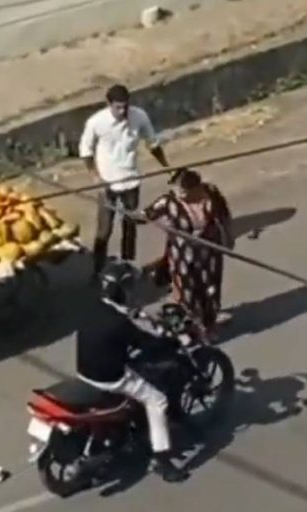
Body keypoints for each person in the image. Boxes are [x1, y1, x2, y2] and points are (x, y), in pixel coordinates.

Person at [76, 261, 189, 483]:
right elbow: (147, 341)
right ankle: (163, 461)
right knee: (157, 401)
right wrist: (170, 336)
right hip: (111, 377)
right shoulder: (121, 322)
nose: (133, 292)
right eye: (129, 288)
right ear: (121, 291)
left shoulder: (93, 307)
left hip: (84, 370)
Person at [79, 84, 169, 279]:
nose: (122, 111)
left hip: (131, 181)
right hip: (107, 184)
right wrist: (95, 177)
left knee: (130, 224)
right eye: (118, 107)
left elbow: (152, 143)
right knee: (104, 229)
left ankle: (127, 264)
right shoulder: (96, 122)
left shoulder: (139, 116)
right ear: (108, 104)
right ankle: (98, 269)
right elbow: (85, 151)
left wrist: (166, 166)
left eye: (125, 107)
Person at [141, 168, 234, 340]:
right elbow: (145, 215)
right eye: (175, 189)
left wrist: (229, 238)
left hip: (209, 252)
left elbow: (224, 216)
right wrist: (130, 214)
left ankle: (209, 324)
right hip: (182, 254)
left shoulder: (210, 193)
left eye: (182, 191)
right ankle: (191, 327)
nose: (178, 193)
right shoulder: (168, 201)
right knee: (187, 292)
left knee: (210, 290)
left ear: (195, 188)